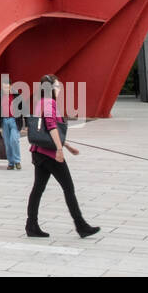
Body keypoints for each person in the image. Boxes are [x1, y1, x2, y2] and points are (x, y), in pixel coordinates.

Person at [26, 74, 100, 239]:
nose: (60, 90)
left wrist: (67, 146)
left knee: (37, 189)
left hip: (38, 152)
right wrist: (59, 150)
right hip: (50, 154)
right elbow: (52, 127)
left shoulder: (39, 103)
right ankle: (81, 226)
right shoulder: (50, 103)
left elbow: (44, 130)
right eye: (58, 87)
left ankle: (31, 225)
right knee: (69, 188)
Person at [2, 82, 22, 170]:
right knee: (7, 143)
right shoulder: (0, 96)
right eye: (4, 87)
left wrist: (28, 123)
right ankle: (11, 163)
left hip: (14, 120)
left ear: (10, 86)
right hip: (4, 121)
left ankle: (17, 161)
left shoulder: (16, 96)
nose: (5, 89)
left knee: (14, 140)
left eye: (7, 87)